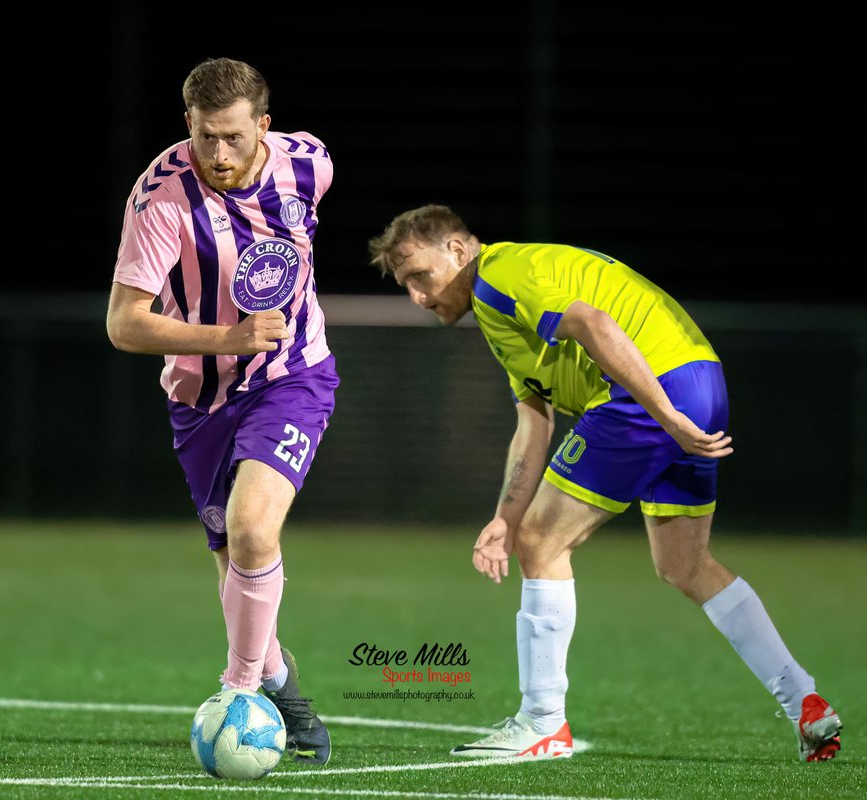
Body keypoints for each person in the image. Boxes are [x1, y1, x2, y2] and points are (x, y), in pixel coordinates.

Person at [368, 205, 842, 763]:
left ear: (458, 248)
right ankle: (804, 701)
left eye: (420, 276)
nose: (418, 297)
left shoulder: (499, 277)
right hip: (697, 378)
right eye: (405, 286)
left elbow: (594, 325)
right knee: (684, 565)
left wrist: (664, 415)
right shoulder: (501, 309)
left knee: (545, 543)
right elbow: (533, 422)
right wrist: (504, 518)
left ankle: (542, 722)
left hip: (650, 388)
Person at [107, 57, 336, 765]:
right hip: (200, 402)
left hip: (292, 378)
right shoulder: (161, 199)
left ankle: (241, 692)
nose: (220, 154)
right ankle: (279, 680)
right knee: (235, 560)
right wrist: (226, 338)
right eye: (206, 136)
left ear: (263, 126)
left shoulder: (311, 165)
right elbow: (123, 324)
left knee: (251, 529)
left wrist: (259, 342)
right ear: (189, 126)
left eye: (235, 137)